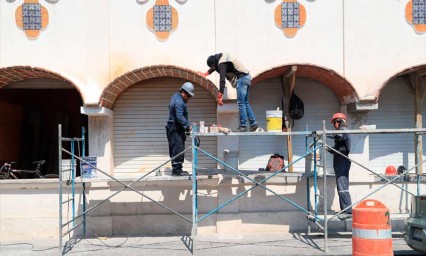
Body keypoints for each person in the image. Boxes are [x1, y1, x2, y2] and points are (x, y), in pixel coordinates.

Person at [200, 53, 258, 132]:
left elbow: (222, 80)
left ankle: (243, 126)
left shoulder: (221, 64)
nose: (213, 68)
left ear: (214, 63)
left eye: (212, 66)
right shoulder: (221, 58)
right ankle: (254, 124)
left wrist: (220, 95)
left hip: (242, 79)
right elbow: (213, 68)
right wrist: (205, 74)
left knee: (241, 103)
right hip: (246, 77)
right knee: (245, 103)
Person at [327, 112, 352, 220]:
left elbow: (338, 135)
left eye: (334, 123)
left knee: (343, 187)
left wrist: (324, 133)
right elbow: (339, 149)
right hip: (339, 160)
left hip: (342, 161)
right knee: (340, 187)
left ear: (339, 121)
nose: (334, 126)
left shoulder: (343, 130)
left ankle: (348, 211)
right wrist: (330, 149)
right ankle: (344, 210)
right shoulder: (341, 132)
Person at [165, 82, 194, 176]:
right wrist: (188, 127)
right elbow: (179, 117)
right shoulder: (179, 102)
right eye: (188, 96)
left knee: (175, 149)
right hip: (175, 129)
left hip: (174, 128)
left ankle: (177, 169)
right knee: (178, 149)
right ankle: (177, 171)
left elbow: (170, 108)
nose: (189, 99)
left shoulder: (175, 96)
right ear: (183, 93)